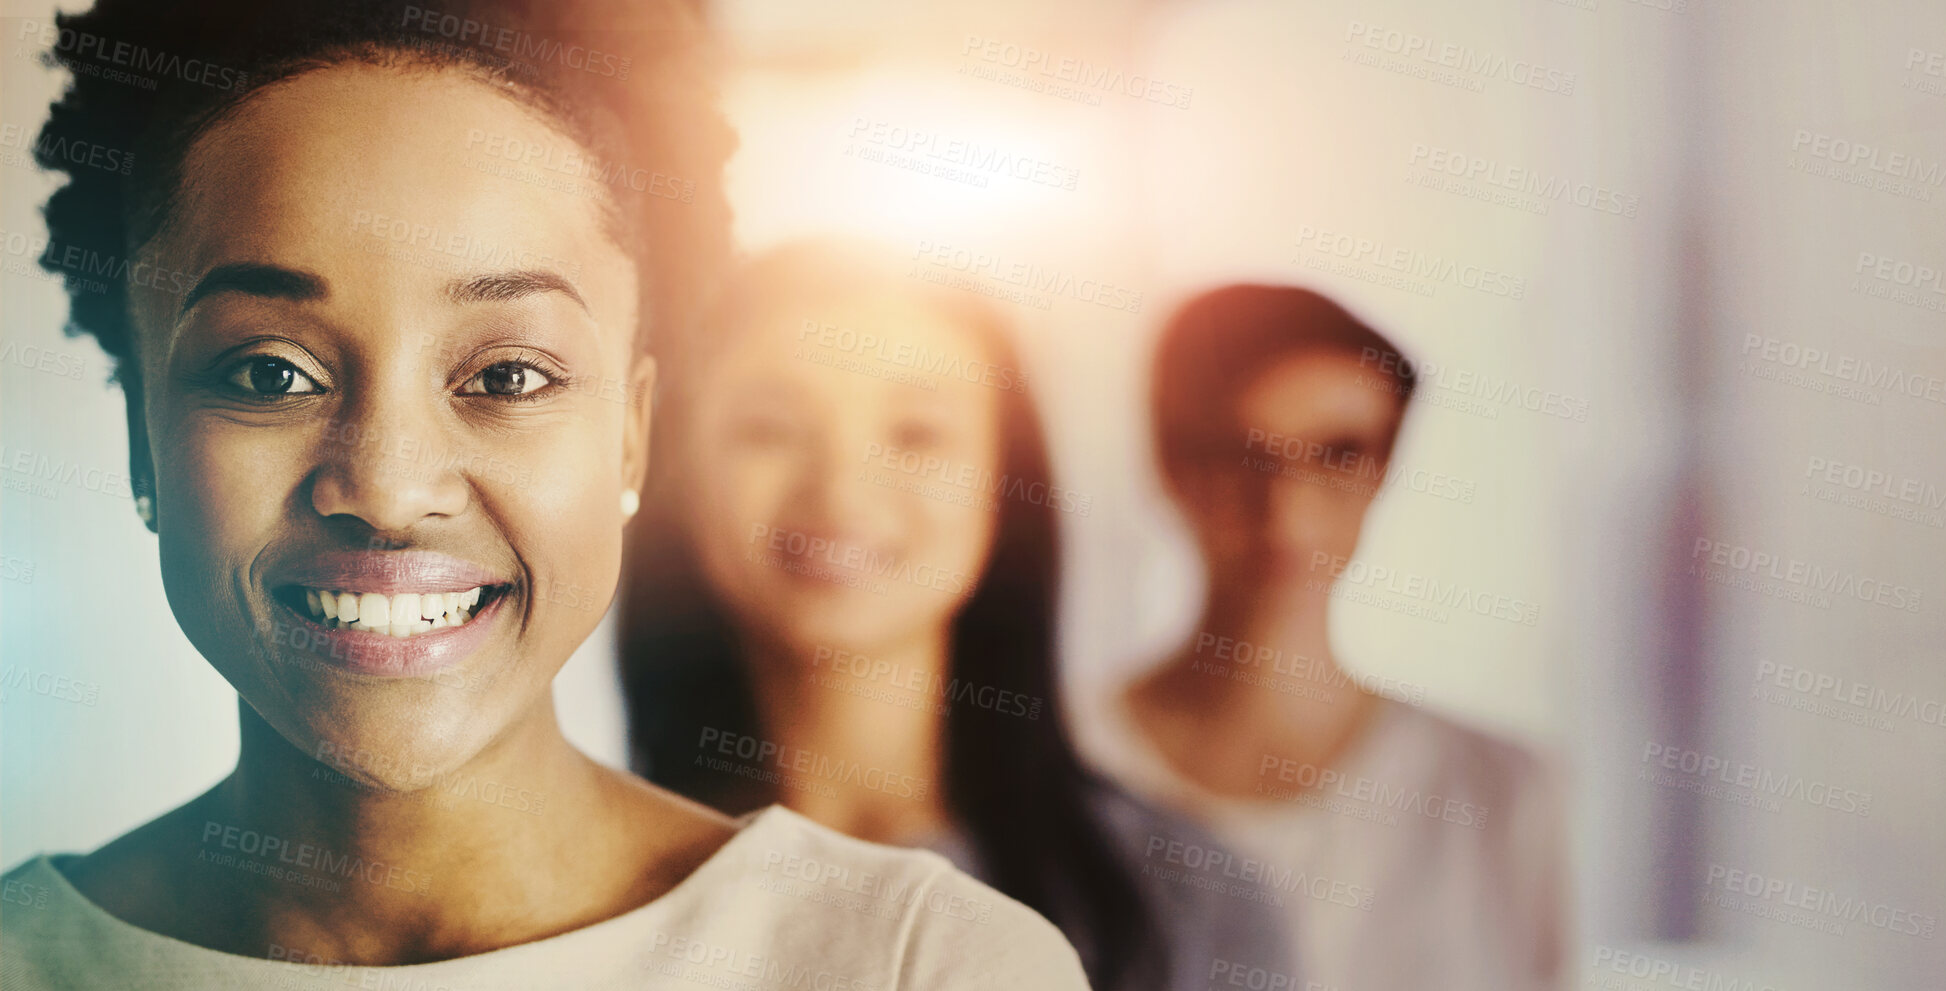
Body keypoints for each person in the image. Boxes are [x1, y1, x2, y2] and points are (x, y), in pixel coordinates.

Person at [0, 4, 1089, 988]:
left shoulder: (926, 964)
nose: (387, 488)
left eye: (507, 376)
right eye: (269, 372)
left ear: (630, 437)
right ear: (144, 442)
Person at [617, 243, 1288, 991]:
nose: (842, 494)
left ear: (1005, 479)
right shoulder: (582, 896)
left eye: (916, 433)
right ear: (672, 473)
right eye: (770, 428)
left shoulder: (1179, 903)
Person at [1074, 284, 1567, 991]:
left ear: (1383, 470)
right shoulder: (1051, 764)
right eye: (1238, 451)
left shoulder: (1504, 795)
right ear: (1168, 462)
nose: (1284, 504)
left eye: (1336, 454)